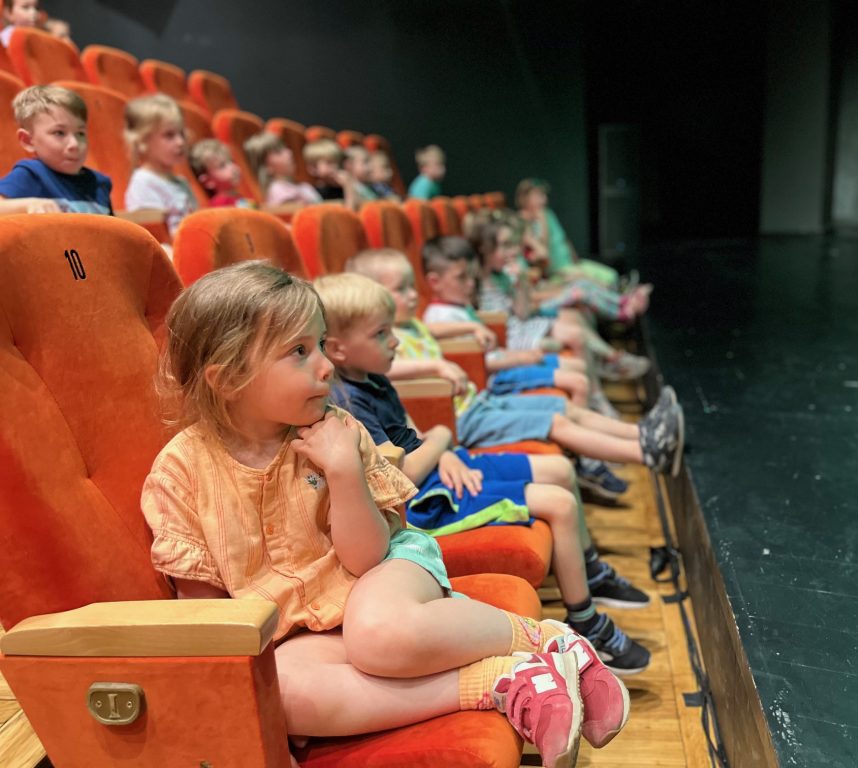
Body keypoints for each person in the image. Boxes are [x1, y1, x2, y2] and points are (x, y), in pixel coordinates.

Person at [141, 260, 630, 767]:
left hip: (382, 572)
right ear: (228, 378)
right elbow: (207, 617)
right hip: (297, 628)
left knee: (377, 635)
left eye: (321, 343)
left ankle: (547, 640)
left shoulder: (337, 430)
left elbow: (367, 556)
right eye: (299, 352)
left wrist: (343, 471)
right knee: (281, 694)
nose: (325, 366)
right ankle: (504, 681)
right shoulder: (180, 473)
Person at [316, 271, 653, 674]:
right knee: (560, 504)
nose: (396, 342)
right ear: (337, 349)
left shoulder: (375, 377)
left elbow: (412, 436)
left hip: (441, 468)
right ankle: (586, 620)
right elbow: (400, 478)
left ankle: (591, 572)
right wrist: (443, 441)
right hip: (426, 501)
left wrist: (443, 450)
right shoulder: (348, 405)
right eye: (381, 334)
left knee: (560, 469)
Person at [345, 249, 685, 482]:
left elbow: (432, 327)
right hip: (462, 417)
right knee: (557, 420)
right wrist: (436, 365)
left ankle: (642, 434)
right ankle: (645, 453)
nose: (411, 295)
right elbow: (391, 370)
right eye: (399, 289)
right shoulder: (383, 346)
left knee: (565, 408)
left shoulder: (408, 325)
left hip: (478, 401)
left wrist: (470, 328)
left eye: (410, 287)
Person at [470, 212, 652, 383]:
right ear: (485, 248)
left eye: (512, 243)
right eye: (505, 245)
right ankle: (612, 355)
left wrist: (522, 281)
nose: (513, 250)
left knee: (579, 303)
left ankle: (611, 354)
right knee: (578, 306)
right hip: (515, 336)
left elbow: (522, 312)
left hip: (523, 325)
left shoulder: (502, 274)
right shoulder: (475, 281)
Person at [419, 235, 592, 406]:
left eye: (471, 276)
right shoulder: (440, 317)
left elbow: (490, 351)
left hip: (504, 367)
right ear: (435, 282)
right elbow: (472, 363)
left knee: (578, 366)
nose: (471, 283)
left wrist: (517, 356)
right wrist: (520, 358)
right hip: (496, 379)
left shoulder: (460, 306)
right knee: (578, 383)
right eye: (461, 277)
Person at [0, 85, 112, 215]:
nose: (75, 144)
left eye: (80, 133)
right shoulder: (31, 174)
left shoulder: (99, 183)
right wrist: (28, 204)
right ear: (28, 140)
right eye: (59, 133)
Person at [517, 178, 635, 296]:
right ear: (524, 198)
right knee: (595, 281)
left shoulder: (547, 214)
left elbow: (564, 239)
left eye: (543, 195)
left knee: (611, 275)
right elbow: (543, 251)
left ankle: (624, 294)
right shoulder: (523, 220)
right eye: (538, 195)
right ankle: (622, 297)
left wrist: (574, 259)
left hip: (569, 264)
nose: (544, 200)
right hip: (557, 271)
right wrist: (542, 220)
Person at [123, 94, 198, 238]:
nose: (180, 142)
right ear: (143, 141)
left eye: (181, 133)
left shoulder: (182, 182)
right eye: (169, 135)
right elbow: (155, 237)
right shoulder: (143, 182)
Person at [244, 131, 322, 207]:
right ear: (266, 167)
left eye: (285, 147)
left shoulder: (304, 186)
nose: (289, 152)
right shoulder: (277, 190)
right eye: (278, 152)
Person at [188, 138, 254, 208]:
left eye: (231, 161)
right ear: (208, 181)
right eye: (222, 165)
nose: (232, 167)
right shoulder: (219, 204)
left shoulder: (237, 196)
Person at [303, 138, 358, 208]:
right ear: (313, 168)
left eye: (336, 162)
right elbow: (348, 212)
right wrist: (348, 188)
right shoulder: (312, 192)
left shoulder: (341, 186)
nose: (335, 167)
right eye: (329, 163)